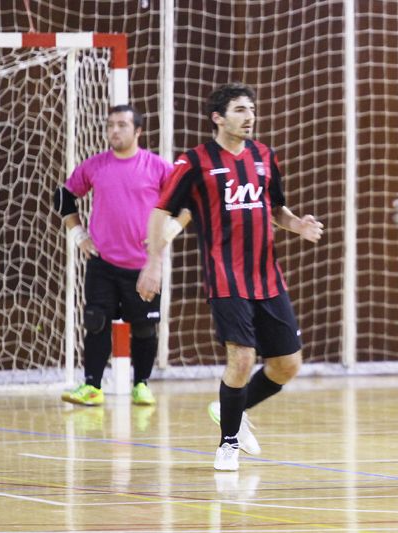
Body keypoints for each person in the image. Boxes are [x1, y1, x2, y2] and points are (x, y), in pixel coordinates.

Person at [136, 83, 324, 471]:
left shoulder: (264, 157)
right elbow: (160, 213)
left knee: (288, 365)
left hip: (268, 277)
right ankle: (229, 443)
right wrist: (153, 262)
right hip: (225, 278)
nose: (249, 116)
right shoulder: (195, 162)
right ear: (217, 118)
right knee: (241, 359)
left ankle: (231, 409)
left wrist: (297, 225)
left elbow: (277, 209)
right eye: (239, 110)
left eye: (251, 109)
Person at [54, 104, 180, 407]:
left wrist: (166, 235)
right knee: (96, 321)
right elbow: (63, 197)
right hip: (103, 263)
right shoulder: (95, 165)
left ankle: (142, 384)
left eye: (122, 125)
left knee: (144, 327)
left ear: (138, 131)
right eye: (110, 124)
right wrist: (79, 235)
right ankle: (92, 386)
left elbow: (185, 204)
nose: (114, 130)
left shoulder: (158, 167)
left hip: (143, 266)